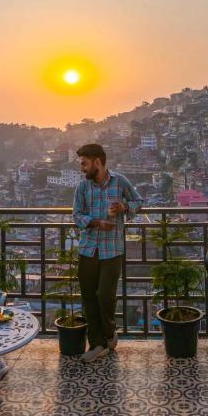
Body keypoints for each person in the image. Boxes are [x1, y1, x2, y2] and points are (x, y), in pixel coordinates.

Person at [72, 143, 142, 363]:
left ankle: (110, 331)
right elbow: (76, 215)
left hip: (113, 250)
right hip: (88, 249)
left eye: (84, 163)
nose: (82, 168)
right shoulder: (82, 188)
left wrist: (124, 207)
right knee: (89, 298)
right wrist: (94, 222)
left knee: (105, 295)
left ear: (97, 162)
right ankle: (97, 344)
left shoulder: (120, 182)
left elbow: (138, 202)